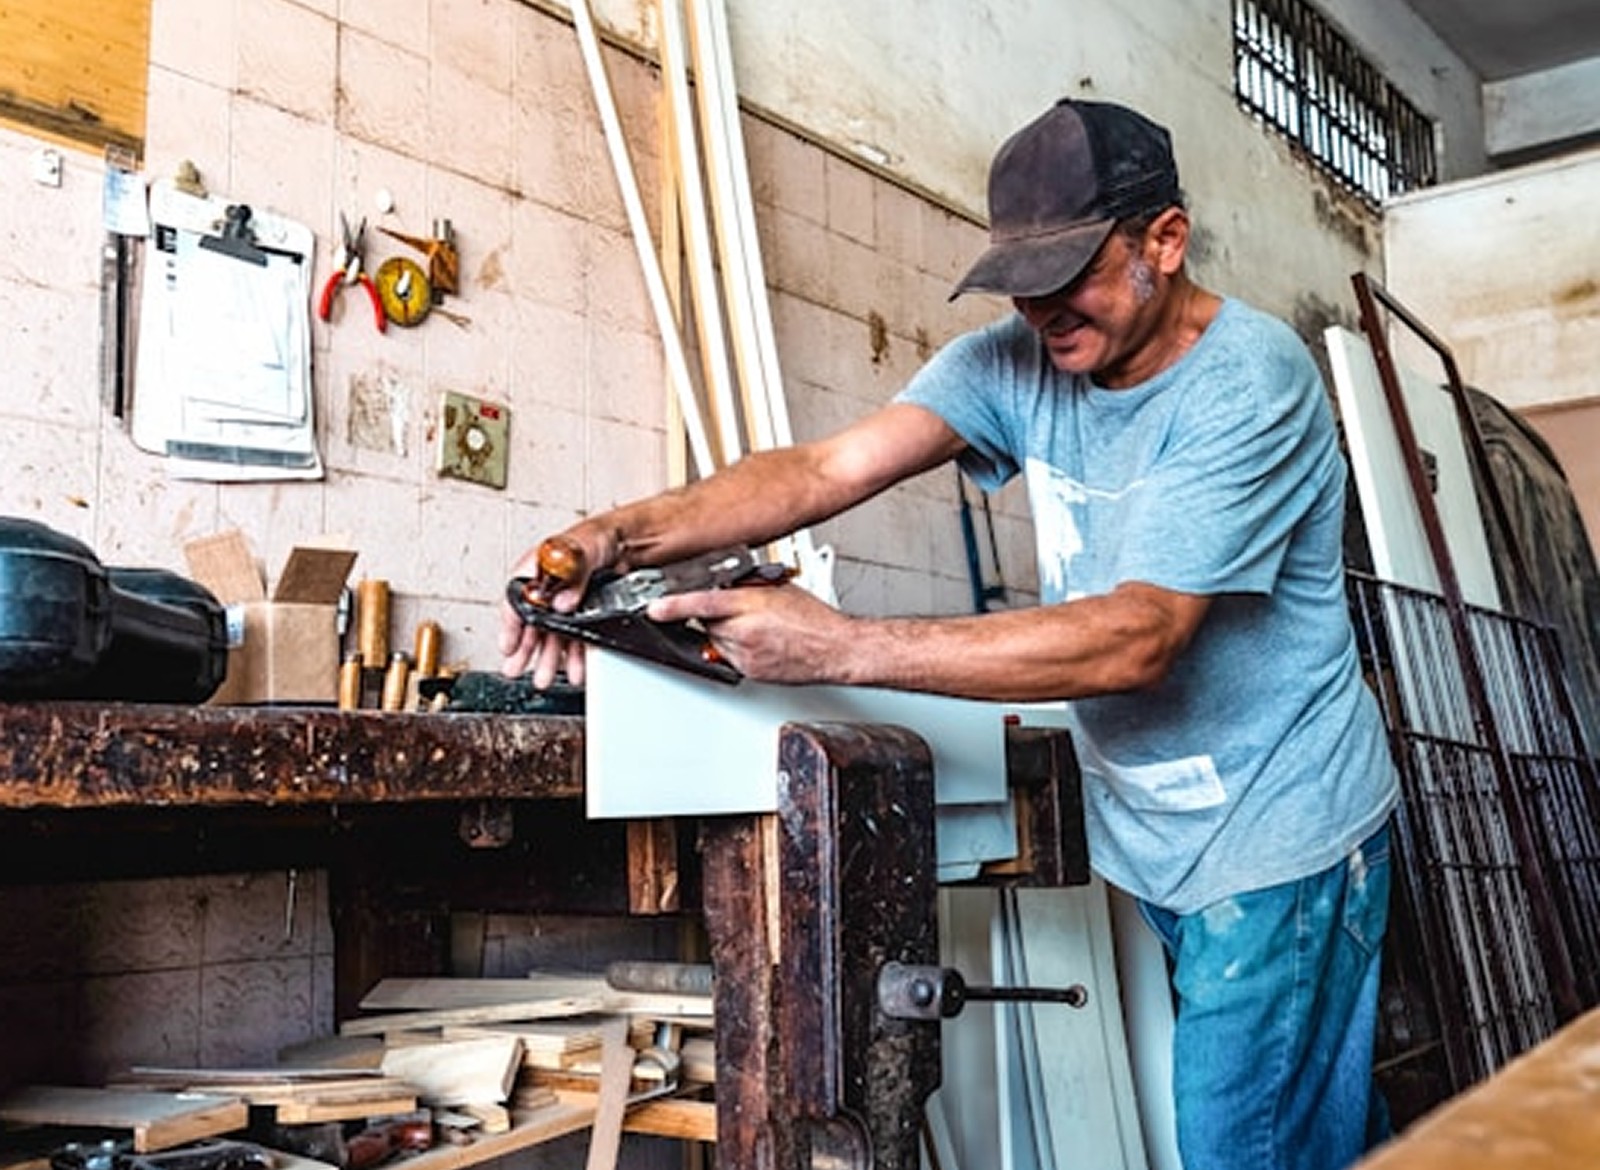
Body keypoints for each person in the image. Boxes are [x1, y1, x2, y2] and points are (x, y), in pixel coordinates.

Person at [500, 98, 1400, 1170]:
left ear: (1165, 241)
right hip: (1162, 830)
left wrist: (836, 647)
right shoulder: (1020, 359)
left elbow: (1138, 637)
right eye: (1022, 281)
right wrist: (617, 537)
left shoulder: (1248, 384)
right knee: (1311, 1129)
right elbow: (824, 472)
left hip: (1280, 832)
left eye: (1070, 272)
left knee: (1239, 1146)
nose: (1041, 309)